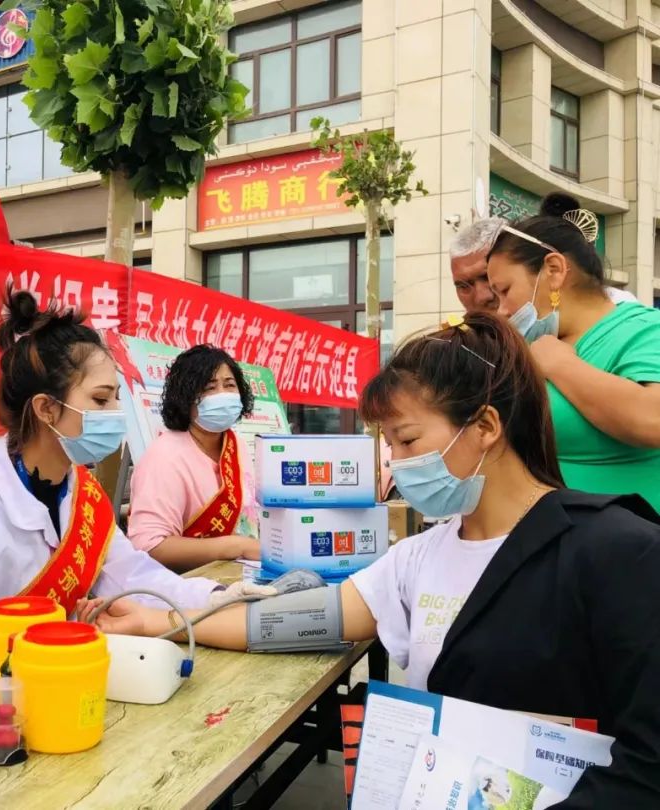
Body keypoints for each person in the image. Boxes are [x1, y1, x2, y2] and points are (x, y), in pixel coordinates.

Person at [85, 313, 660, 807]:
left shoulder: (617, 551)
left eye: (406, 440)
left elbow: (647, 764)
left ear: (485, 426)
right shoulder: (418, 557)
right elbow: (287, 620)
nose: (396, 462)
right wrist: (161, 622)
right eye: (388, 443)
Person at [0, 288, 271, 693]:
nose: (116, 415)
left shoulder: (84, 495)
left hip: (65, 690)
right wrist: (39, 653)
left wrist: (216, 597)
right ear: (46, 409)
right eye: (100, 400)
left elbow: (136, 577)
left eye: (116, 399)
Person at [486, 192, 660, 510]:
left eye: (505, 291)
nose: (502, 310)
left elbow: (653, 419)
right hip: (555, 533)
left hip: (635, 535)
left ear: (553, 270)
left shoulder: (645, 328)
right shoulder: (529, 348)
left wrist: (560, 365)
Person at [126, 345, 260, 572]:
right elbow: (150, 546)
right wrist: (236, 547)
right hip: (186, 584)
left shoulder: (236, 445)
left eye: (229, 385)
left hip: (245, 577)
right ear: (186, 398)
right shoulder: (164, 456)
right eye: (210, 387)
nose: (223, 394)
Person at [451, 216, 635, 313]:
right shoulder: (467, 341)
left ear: (553, 269)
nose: (482, 297)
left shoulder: (624, 318)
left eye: (487, 278)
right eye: (463, 286)